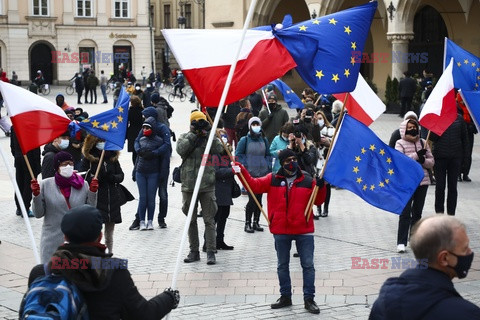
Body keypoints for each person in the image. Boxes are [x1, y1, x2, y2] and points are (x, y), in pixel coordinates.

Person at [24, 204, 180, 319]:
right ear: (99, 236)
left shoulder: (42, 272)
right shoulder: (113, 269)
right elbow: (143, 314)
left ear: (65, 237)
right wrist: (169, 298)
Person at [232, 149, 326, 314]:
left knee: (308, 265)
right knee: (282, 265)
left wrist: (322, 186)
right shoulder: (273, 179)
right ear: (282, 163)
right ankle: (285, 296)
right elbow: (253, 184)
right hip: (281, 229)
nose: (292, 162)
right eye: (288, 160)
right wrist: (240, 171)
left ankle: (309, 299)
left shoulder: (308, 180)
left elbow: (318, 201)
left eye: (294, 159)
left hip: (303, 229)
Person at [369, 215, 480, 319]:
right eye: (465, 249)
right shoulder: (466, 314)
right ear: (444, 258)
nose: (470, 252)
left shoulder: (381, 305)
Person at [31, 151, 98, 263]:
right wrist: (36, 195)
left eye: (71, 163)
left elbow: (90, 210)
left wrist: (92, 192)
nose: (68, 166)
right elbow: (38, 214)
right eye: (64, 164)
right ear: (57, 167)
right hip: (52, 242)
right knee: (52, 276)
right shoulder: (45, 185)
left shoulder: (83, 184)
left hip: (77, 241)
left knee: (75, 277)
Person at [176, 111, 223, 265]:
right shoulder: (184, 136)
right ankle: (193, 251)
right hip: (189, 184)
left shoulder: (208, 137)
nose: (198, 124)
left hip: (207, 184)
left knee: (209, 220)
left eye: (201, 121)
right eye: (195, 122)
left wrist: (209, 132)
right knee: (191, 220)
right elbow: (181, 150)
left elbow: (219, 149)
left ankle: (211, 251)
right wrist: (194, 134)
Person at [394, 118, 434, 253]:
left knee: (417, 213)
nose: (412, 129)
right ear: (404, 128)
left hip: (422, 182)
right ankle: (401, 242)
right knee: (405, 213)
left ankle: (414, 239)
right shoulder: (400, 143)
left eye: (414, 127)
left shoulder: (423, 142)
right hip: (406, 183)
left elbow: (431, 162)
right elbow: (400, 161)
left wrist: (423, 160)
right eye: (409, 127)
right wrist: (416, 155)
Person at [82, 135, 125, 254]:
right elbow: (83, 176)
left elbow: (121, 176)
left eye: (104, 141)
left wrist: (112, 177)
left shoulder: (112, 157)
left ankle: (109, 252)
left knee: (109, 233)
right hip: (97, 198)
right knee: (96, 230)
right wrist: (94, 179)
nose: (102, 143)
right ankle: (96, 252)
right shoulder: (90, 158)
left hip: (112, 199)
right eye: (99, 141)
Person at [236, 117, 271, 233]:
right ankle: (247, 223)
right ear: (250, 126)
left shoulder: (264, 140)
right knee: (252, 199)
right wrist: (245, 166)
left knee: (259, 199)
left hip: (262, 174)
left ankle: (256, 221)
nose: (256, 126)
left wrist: (268, 167)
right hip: (250, 174)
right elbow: (239, 155)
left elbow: (268, 155)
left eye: (257, 124)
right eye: (253, 124)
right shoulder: (244, 140)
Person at [430, 113, 468, 216]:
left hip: (455, 158)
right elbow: (433, 137)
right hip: (440, 157)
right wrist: (436, 125)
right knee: (440, 187)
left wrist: (465, 159)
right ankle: (439, 214)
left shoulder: (459, 119)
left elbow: (465, 139)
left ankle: (451, 214)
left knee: (452, 187)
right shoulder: (438, 117)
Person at [134, 117, 164, 230]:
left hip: (153, 173)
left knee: (151, 198)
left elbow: (163, 154)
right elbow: (137, 154)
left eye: (147, 127)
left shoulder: (159, 141)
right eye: (144, 127)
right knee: (143, 197)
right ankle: (142, 221)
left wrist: (153, 154)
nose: (145, 129)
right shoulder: (141, 140)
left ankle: (150, 221)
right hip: (141, 172)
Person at [10, 126, 40, 217]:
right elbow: (35, 147)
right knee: (28, 185)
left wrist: (17, 155)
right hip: (29, 159)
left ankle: (19, 208)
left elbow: (12, 146)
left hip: (19, 158)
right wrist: (37, 165)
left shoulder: (14, 126)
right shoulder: (31, 127)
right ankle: (25, 208)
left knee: (20, 183)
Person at [213, 129, 235, 250]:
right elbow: (215, 171)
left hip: (227, 189)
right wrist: (230, 171)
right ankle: (209, 242)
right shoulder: (214, 153)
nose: (224, 139)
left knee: (224, 216)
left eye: (225, 137)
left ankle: (220, 240)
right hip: (218, 189)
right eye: (221, 137)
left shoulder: (227, 153)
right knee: (215, 217)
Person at [311, 110, 335, 218]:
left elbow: (334, 143)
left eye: (321, 118)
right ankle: (318, 207)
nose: (319, 120)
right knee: (317, 184)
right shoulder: (312, 129)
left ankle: (326, 208)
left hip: (326, 159)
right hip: (316, 160)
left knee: (326, 185)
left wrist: (328, 142)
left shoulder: (330, 129)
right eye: (317, 119)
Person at [126, 96, 144, 165]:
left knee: (134, 152)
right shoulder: (142, 111)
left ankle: (135, 167)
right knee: (141, 150)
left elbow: (126, 123)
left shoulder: (130, 111)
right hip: (141, 132)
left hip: (132, 133)